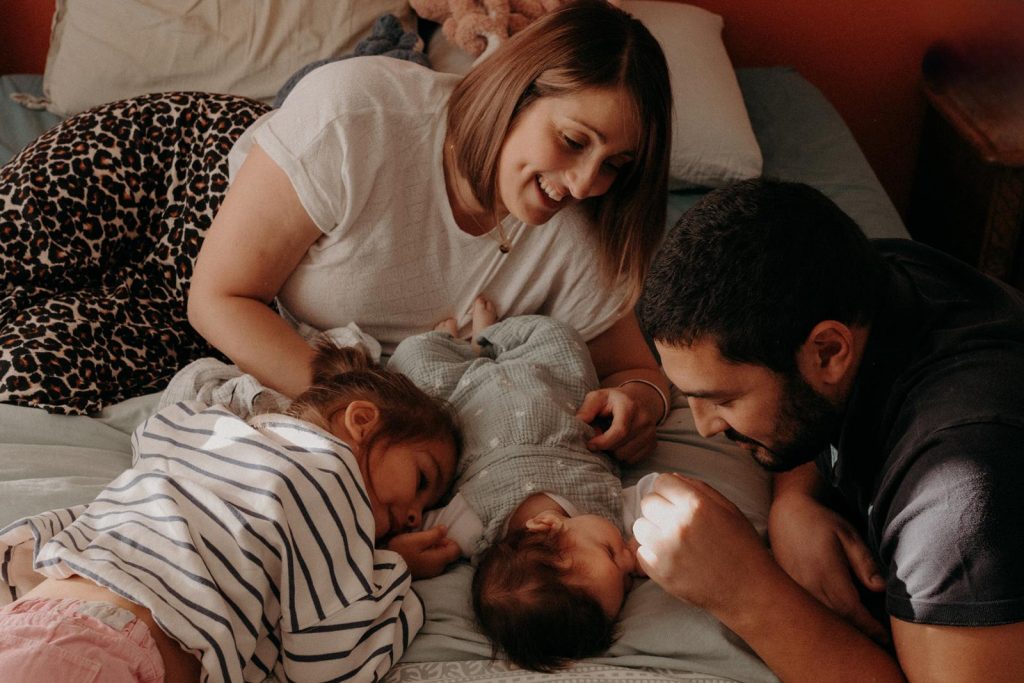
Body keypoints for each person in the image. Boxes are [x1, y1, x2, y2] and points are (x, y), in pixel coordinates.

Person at [634, 178, 1024, 681]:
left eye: (725, 400)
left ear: (829, 351)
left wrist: (744, 590)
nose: (706, 427)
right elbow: (808, 408)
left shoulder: (956, 497)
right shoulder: (867, 280)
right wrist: (793, 503)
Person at [0, 341, 460, 681]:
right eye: (422, 478)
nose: (417, 515)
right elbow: (327, 663)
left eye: (427, 506)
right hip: (114, 645)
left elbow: (151, 439)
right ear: (360, 421)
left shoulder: (208, 427)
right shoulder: (331, 483)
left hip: (43, 609)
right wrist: (397, 572)